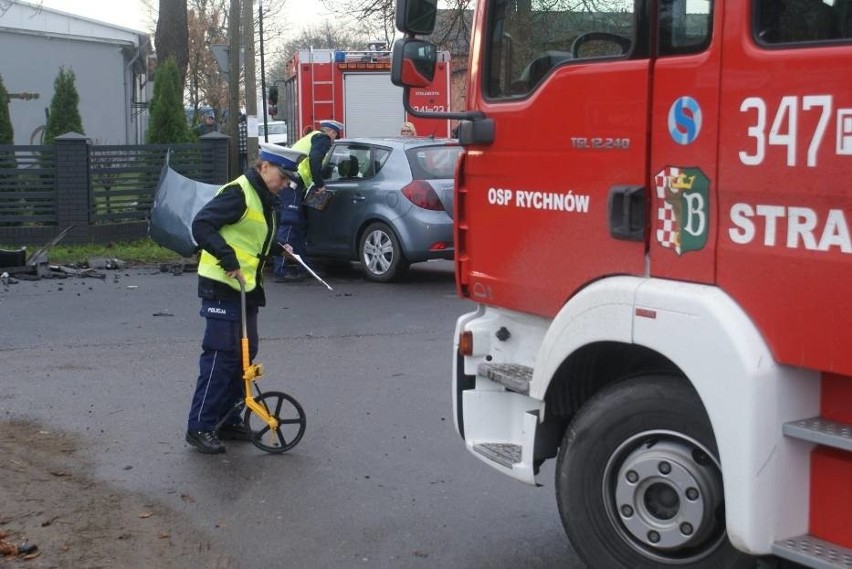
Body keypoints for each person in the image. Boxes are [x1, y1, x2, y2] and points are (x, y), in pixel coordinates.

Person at [185, 142, 306, 454]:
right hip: (221, 283)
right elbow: (202, 225)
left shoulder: (264, 198)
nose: (284, 184)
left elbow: (249, 236)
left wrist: (278, 250)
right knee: (221, 355)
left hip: (246, 287)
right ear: (264, 167)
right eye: (282, 176)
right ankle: (200, 426)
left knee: (245, 353)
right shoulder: (238, 193)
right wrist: (228, 259)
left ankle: (229, 418)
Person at [273, 119, 344, 282]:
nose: (334, 140)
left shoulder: (311, 136)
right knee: (289, 224)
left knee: (299, 226)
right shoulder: (322, 139)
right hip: (292, 183)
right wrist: (320, 184)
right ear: (331, 133)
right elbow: (314, 159)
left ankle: (303, 266)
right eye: (335, 136)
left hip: (291, 182)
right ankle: (281, 269)